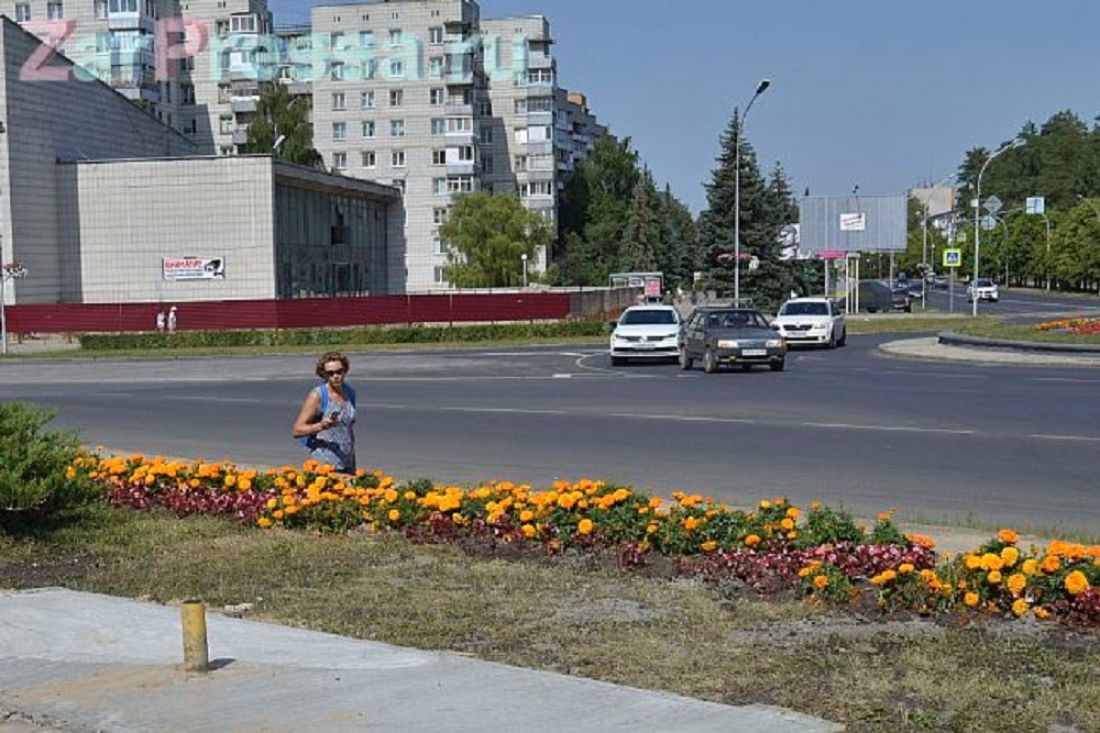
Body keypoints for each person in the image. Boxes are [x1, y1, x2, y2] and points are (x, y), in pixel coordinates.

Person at [292, 351, 357, 473]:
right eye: (330, 373)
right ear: (324, 374)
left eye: (339, 371)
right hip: (325, 462)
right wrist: (321, 425)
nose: (335, 376)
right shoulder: (318, 395)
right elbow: (297, 430)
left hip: (348, 460)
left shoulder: (350, 393)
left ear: (345, 370)